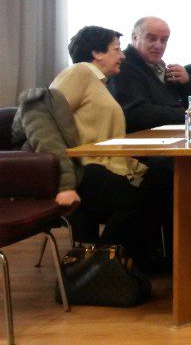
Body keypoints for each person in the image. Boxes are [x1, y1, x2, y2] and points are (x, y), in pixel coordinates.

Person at [52, 26, 172, 271]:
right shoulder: (80, 72)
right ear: (96, 53)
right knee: (145, 196)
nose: (122, 55)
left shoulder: (99, 82)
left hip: (106, 164)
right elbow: (48, 116)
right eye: (116, 50)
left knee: (165, 174)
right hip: (85, 167)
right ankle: (99, 264)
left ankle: (133, 258)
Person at [109, 16, 191, 133]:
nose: (158, 46)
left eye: (164, 40)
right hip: (144, 138)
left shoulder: (159, 65)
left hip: (172, 134)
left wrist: (186, 83)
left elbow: (180, 103)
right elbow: (138, 112)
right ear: (134, 37)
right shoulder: (124, 66)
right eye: (151, 39)